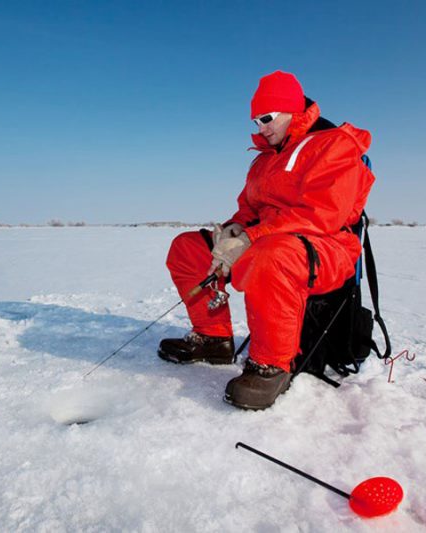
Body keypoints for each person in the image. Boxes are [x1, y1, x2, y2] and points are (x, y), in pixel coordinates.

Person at [158, 70, 375, 410]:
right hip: (267, 242)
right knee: (188, 248)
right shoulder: (263, 160)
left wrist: (250, 237)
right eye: (256, 121)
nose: (260, 128)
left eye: (266, 118)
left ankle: (271, 366)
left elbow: (323, 215)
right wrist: (230, 232)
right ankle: (214, 340)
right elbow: (247, 209)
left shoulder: (334, 145)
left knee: (273, 255)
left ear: (291, 110)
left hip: (327, 247)